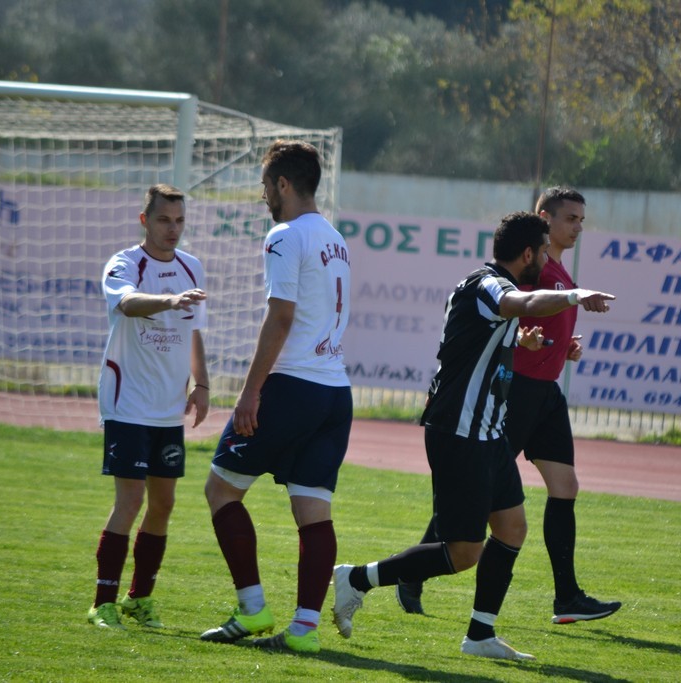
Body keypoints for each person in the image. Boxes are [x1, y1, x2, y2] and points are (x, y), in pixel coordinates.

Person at [331, 211, 615, 661]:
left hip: (487, 432)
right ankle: (356, 579)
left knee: (512, 528)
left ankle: (480, 635)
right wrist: (574, 296)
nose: (548, 259)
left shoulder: (490, 288)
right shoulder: (488, 285)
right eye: (544, 251)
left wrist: (522, 343)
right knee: (464, 552)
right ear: (527, 254)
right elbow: (520, 304)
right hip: (460, 432)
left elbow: (481, 338)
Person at [396, 187, 622, 625]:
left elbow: (523, 325)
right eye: (570, 218)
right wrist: (530, 334)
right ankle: (413, 571)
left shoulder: (556, 268)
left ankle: (567, 598)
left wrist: (559, 349)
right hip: (515, 391)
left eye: (581, 219)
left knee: (565, 486)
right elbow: (504, 314)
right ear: (544, 220)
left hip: (546, 393)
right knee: (477, 493)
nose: (578, 227)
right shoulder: (530, 268)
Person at [199, 140, 352, 655]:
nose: (263, 194)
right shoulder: (335, 238)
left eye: (266, 184)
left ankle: (252, 608)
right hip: (335, 392)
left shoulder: (284, 235)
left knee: (221, 491)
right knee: (313, 511)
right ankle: (305, 630)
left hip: (292, 387)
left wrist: (250, 392)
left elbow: (281, 317)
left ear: (283, 184)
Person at [88, 183, 209, 629]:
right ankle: (102, 603)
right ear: (145, 220)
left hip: (167, 407)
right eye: (163, 220)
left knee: (164, 503)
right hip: (128, 402)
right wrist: (169, 301)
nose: (172, 229)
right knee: (131, 499)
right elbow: (127, 303)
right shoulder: (125, 263)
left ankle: (139, 599)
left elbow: (194, 331)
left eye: (179, 221)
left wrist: (202, 384)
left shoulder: (191, 266)